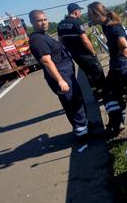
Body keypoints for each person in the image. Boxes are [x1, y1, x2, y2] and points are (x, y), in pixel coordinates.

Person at [28, 9, 89, 152]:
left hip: (66, 74)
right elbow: (47, 61)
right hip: (61, 76)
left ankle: (84, 127)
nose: (43, 23)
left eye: (45, 19)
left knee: (75, 102)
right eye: (39, 20)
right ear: (32, 22)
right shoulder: (37, 39)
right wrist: (60, 80)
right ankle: (83, 136)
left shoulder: (42, 36)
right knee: (74, 104)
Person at [87, 2, 127, 137]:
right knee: (114, 93)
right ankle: (117, 121)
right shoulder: (106, 25)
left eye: (90, 15)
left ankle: (117, 122)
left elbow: (123, 41)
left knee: (111, 92)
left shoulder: (112, 26)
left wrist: (123, 49)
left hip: (120, 65)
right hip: (118, 64)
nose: (89, 19)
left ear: (96, 14)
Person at [58, 3, 106, 102]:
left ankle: (96, 94)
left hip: (75, 56)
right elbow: (85, 40)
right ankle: (104, 93)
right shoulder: (76, 23)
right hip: (85, 54)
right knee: (98, 72)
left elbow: (61, 42)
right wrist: (93, 52)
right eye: (79, 11)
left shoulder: (61, 25)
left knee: (89, 74)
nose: (80, 13)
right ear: (75, 11)